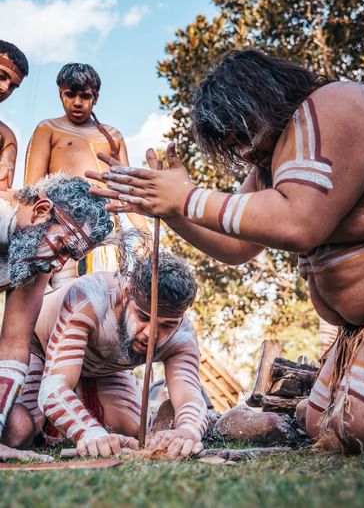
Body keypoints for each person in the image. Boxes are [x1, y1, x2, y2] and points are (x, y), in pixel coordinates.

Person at [88, 48, 364, 454]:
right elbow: (236, 248)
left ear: (264, 97)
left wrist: (186, 198)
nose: (245, 152)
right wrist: (171, 209)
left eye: (244, 132)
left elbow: (299, 223)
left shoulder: (334, 103)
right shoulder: (271, 158)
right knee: (318, 420)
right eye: (233, 145)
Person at [4, 250, 208, 459]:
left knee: (127, 428)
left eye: (167, 325)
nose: (151, 334)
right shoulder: (90, 299)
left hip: (100, 369)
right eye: (143, 316)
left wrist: (188, 431)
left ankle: (79, 407)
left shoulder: (182, 336)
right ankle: (50, 424)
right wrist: (90, 432)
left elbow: (189, 395)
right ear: (127, 293)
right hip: (40, 349)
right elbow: (53, 387)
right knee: (19, 431)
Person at [0, 174, 113, 460]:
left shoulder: (37, 257)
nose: (59, 262)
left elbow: (14, 343)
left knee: (18, 429)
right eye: (63, 246)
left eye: (70, 256)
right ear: (41, 210)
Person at [24, 63, 146, 287]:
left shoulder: (112, 136)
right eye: (70, 95)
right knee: (65, 298)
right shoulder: (48, 129)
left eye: (85, 96)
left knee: (105, 298)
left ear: (96, 97)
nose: (77, 102)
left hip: (106, 232)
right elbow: (32, 188)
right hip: (61, 230)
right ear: (61, 93)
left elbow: (126, 192)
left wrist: (145, 234)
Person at [0, 40, 29, 189]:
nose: (5, 88)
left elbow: (2, 195)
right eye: (1, 76)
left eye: (13, 86)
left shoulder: (6, 137)